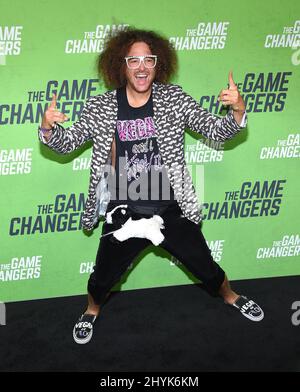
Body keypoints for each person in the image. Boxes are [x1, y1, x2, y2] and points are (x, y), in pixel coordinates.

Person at [38, 28, 264, 345]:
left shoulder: (173, 99)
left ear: (158, 64)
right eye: (134, 60)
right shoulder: (101, 107)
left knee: (208, 270)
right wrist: (48, 130)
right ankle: (91, 310)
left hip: (170, 208)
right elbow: (68, 142)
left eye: (149, 59)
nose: (142, 67)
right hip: (123, 210)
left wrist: (238, 110)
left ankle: (230, 295)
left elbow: (214, 129)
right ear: (121, 65)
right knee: (101, 280)